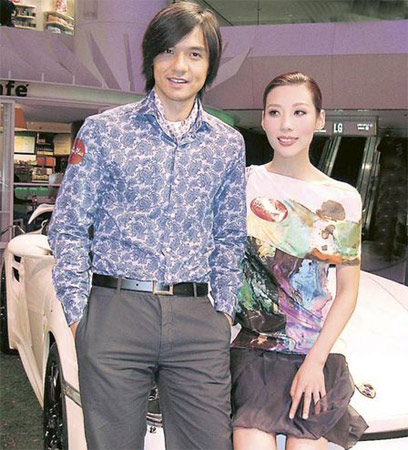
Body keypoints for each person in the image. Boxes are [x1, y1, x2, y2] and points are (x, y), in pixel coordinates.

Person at [48, 2, 246, 449]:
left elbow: (230, 235)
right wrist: (80, 317)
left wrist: (224, 312)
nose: (180, 66)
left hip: (198, 319)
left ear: (210, 64)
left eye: (194, 54)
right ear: (151, 58)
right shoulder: (104, 131)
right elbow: (69, 226)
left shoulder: (228, 144)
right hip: (115, 312)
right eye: (168, 51)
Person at [230, 72, 368, 450]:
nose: (286, 125)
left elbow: (347, 291)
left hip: (313, 355)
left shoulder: (342, 199)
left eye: (299, 112)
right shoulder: (243, 184)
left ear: (320, 119)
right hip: (254, 352)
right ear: (263, 120)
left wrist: (314, 363)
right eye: (275, 112)